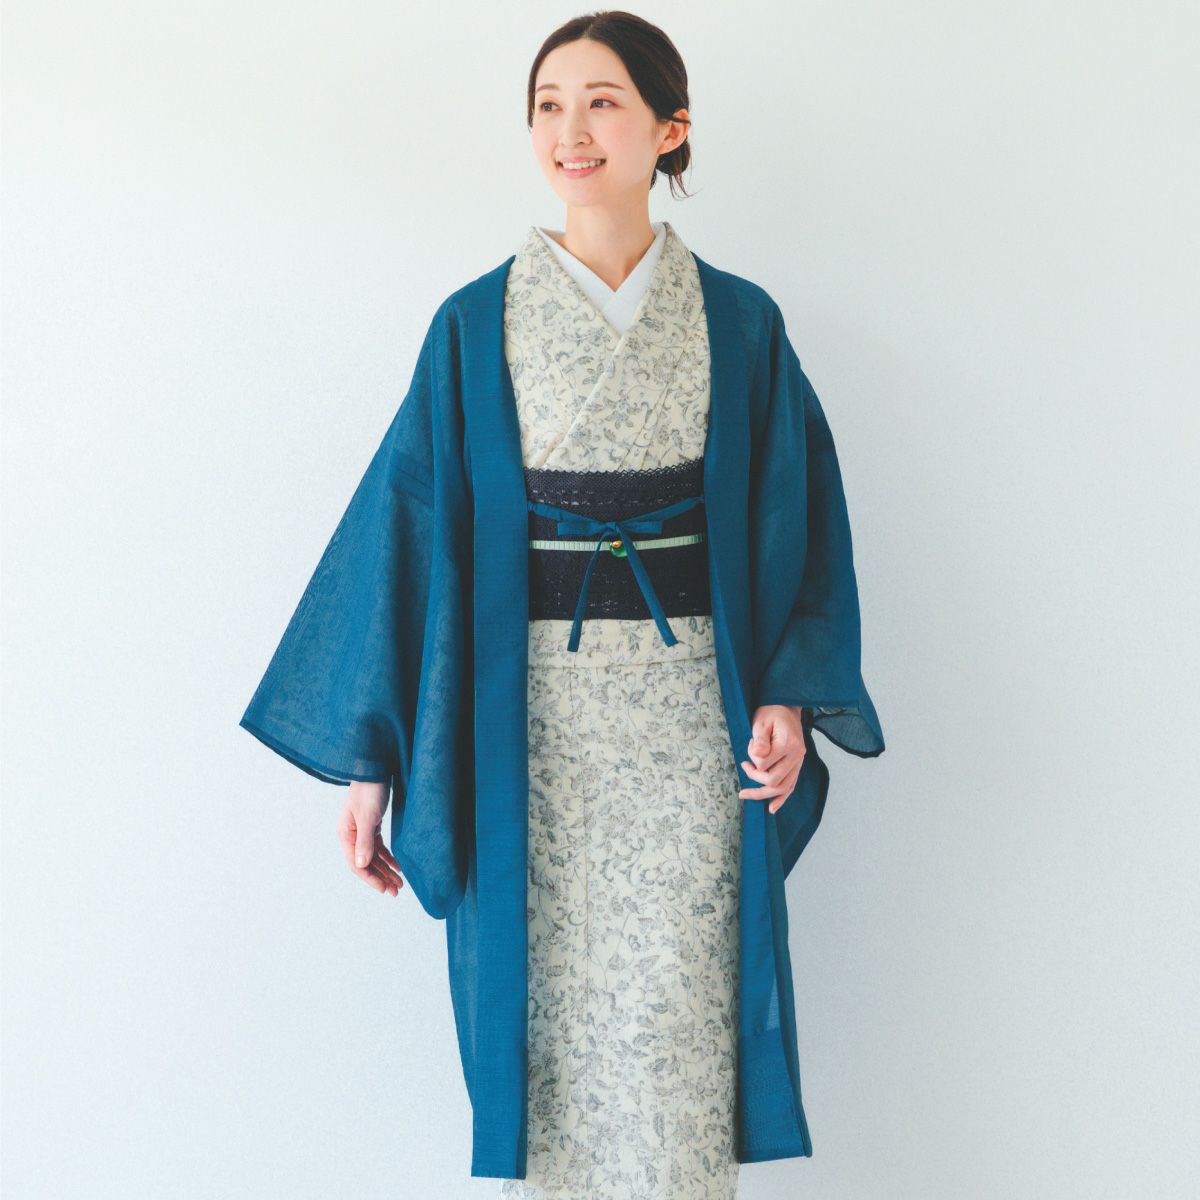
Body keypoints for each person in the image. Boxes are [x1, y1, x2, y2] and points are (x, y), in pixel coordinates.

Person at [239, 10, 885, 1196]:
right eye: (547, 105)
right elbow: (407, 536)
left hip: (692, 733)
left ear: (669, 128)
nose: (569, 130)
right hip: (527, 733)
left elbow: (797, 518)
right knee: (549, 1049)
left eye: (601, 102)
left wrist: (788, 690)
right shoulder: (473, 324)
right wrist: (372, 763)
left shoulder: (740, 323)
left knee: (681, 1035)